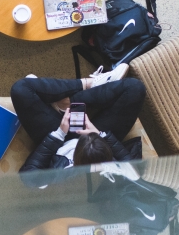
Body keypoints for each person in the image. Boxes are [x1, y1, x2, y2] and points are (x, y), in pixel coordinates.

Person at [11, 66, 146, 172]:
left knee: (21, 89)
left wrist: (58, 135)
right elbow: (134, 171)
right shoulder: (114, 181)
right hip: (100, 146)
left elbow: (28, 176)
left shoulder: (61, 185)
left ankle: (63, 95)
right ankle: (76, 94)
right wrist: (99, 136)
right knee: (135, 88)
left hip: (59, 143)